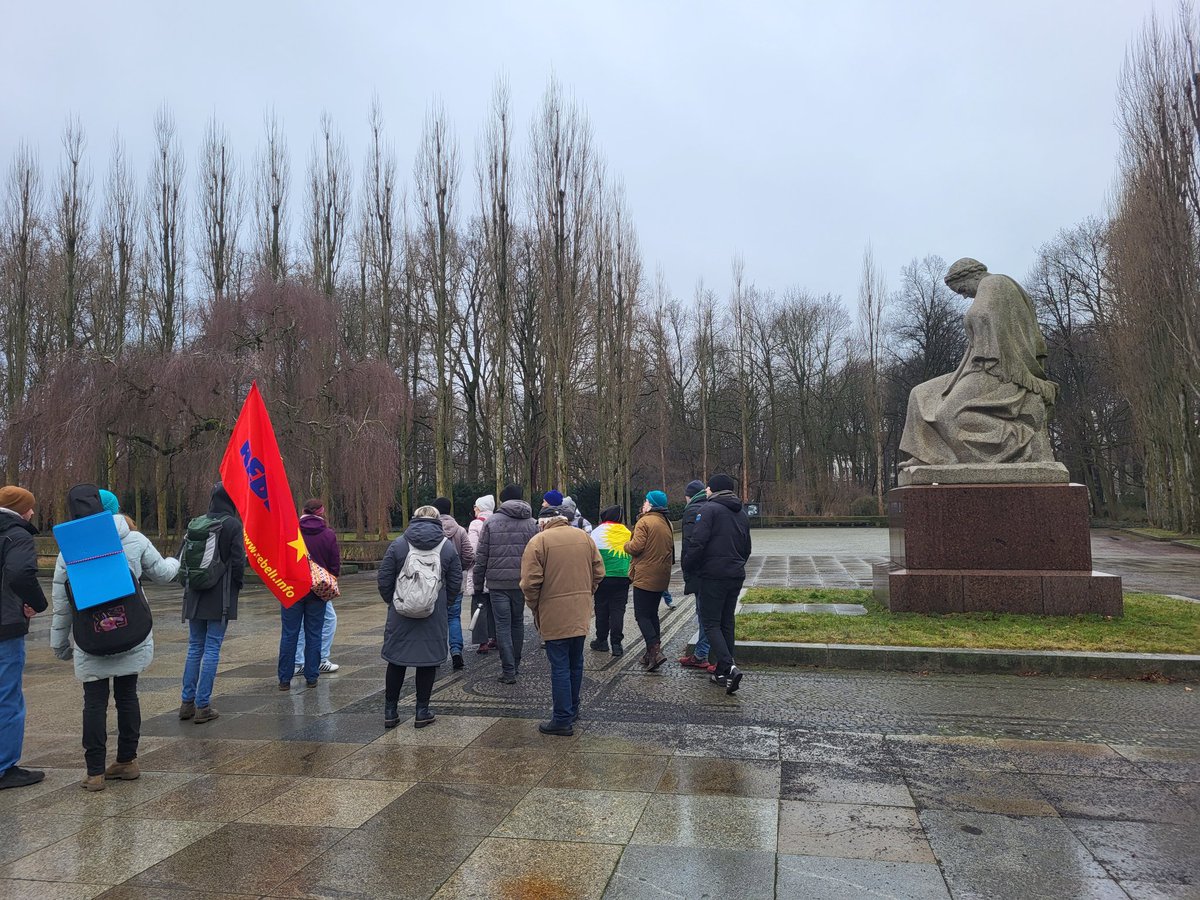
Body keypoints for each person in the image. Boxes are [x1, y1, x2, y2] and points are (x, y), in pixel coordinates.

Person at [50, 485, 180, 791]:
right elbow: (163, 573)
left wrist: (60, 645)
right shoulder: (134, 540)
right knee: (127, 696)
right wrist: (175, 561)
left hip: (90, 638)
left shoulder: (68, 551)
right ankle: (127, 761)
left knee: (94, 703)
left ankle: (94, 772)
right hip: (130, 632)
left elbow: (61, 605)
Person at [899, 258, 1058, 469]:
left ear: (972, 275)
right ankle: (931, 456)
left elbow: (982, 316)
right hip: (979, 367)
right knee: (919, 394)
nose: (964, 295)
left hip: (1001, 371)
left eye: (962, 289)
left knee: (947, 414)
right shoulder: (991, 287)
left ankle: (1023, 442)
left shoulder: (994, 283)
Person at [521, 505, 604, 736]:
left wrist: (534, 604)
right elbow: (599, 572)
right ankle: (573, 709)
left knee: (559, 666)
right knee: (576, 662)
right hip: (580, 611)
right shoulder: (584, 538)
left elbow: (530, 583)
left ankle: (562, 718)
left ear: (544, 522)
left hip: (553, 612)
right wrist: (587, 592)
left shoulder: (539, 542)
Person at [376, 505, 462, 728]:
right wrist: (443, 603)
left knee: (396, 661)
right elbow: (454, 583)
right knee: (427, 662)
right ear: (437, 521)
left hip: (400, 612)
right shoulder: (447, 548)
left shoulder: (399, 544)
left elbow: (384, 579)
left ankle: (390, 712)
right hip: (432, 614)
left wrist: (393, 602)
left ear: (414, 519)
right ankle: (422, 711)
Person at [180, 483, 245, 724]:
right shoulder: (232, 524)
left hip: (195, 594)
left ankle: (186, 703)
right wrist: (238, 584)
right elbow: (238, 561)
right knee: (212, 648)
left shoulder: (197, 522)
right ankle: (203, 705)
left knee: (194, 647)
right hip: (221, 596)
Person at [682, 473, 752, 695]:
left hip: (713, 575)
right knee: (726, 622)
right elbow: (746, 547)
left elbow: (698, 542)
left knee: (711, 622)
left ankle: (729, 667)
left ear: (713, 490)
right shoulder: (740, 513)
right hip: (735, 573)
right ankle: (722, 672)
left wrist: (689, 566)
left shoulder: (708, 510)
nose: (706, 492)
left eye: (708, 489)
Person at [0, 485, 49, 790]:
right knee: (7, 696)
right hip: (5, 626)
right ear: (21, 509)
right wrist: (37, 602)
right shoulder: (17, 534)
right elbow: (20, 574)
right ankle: (5, 767)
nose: (33, 512)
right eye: (30, 507)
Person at [473, 484, 538, 684]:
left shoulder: (491, 523)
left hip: (497, 583)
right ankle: (516, 665)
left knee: (502, 625)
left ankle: (508, 669)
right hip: (521, 581)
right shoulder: (532, 523)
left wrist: (477, 584)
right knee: (517, 622)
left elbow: (481, 556)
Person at [624, 490, 674, 671]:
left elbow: (636, 547)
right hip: (661, 575)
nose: (643, 504)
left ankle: (655, 651)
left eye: (646, 501)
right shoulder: (666, 522)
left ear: (651, 504)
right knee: (652, 614)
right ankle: (650, 654)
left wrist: (625, 545)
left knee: (642, 615)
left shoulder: (644, 521)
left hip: (645, 575)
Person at [294, 499, 342, 675]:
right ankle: (321, 659)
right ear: (321, 513)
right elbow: (334, 563)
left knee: (297, 625)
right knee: (329, 620)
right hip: (319, 586)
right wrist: (331, 579)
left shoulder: (294, 530)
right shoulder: (328, 533)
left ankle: (298, 662)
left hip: (297, 584)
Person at [432, 496, 475, 670]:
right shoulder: (460, 531)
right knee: (453, 617)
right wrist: (460, 569)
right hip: (454, 582)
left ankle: (435, 654)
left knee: (434, 618)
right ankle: (456, 651)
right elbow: (469, 555)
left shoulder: (431, 530)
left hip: (433, 582)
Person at [677, 479, 712, 669]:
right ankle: (703, 652)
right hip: (713, 569)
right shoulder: (711, 506)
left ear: (688, 497)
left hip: (700, 570)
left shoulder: (692, 510)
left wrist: (687, 566)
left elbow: (692, 544)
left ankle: (701, 654)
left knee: (703, 613)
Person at [589, 505, 631, 656]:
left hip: (602, 578)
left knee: (601, 609)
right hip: (622, 577)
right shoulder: (627, 532)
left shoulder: (596, 532)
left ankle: (601, 641)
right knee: (618, 610)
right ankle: (617, 644)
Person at [468, 495, 496, 655]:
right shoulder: (499, 521)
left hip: (480, 571)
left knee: (479, 605)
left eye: (475, 506)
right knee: (495, 606)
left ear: (480, 508)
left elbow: (472, 550)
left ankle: (482, 641)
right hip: (496, 572)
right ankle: (496, 637)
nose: (474, 509)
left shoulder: (476, 523)